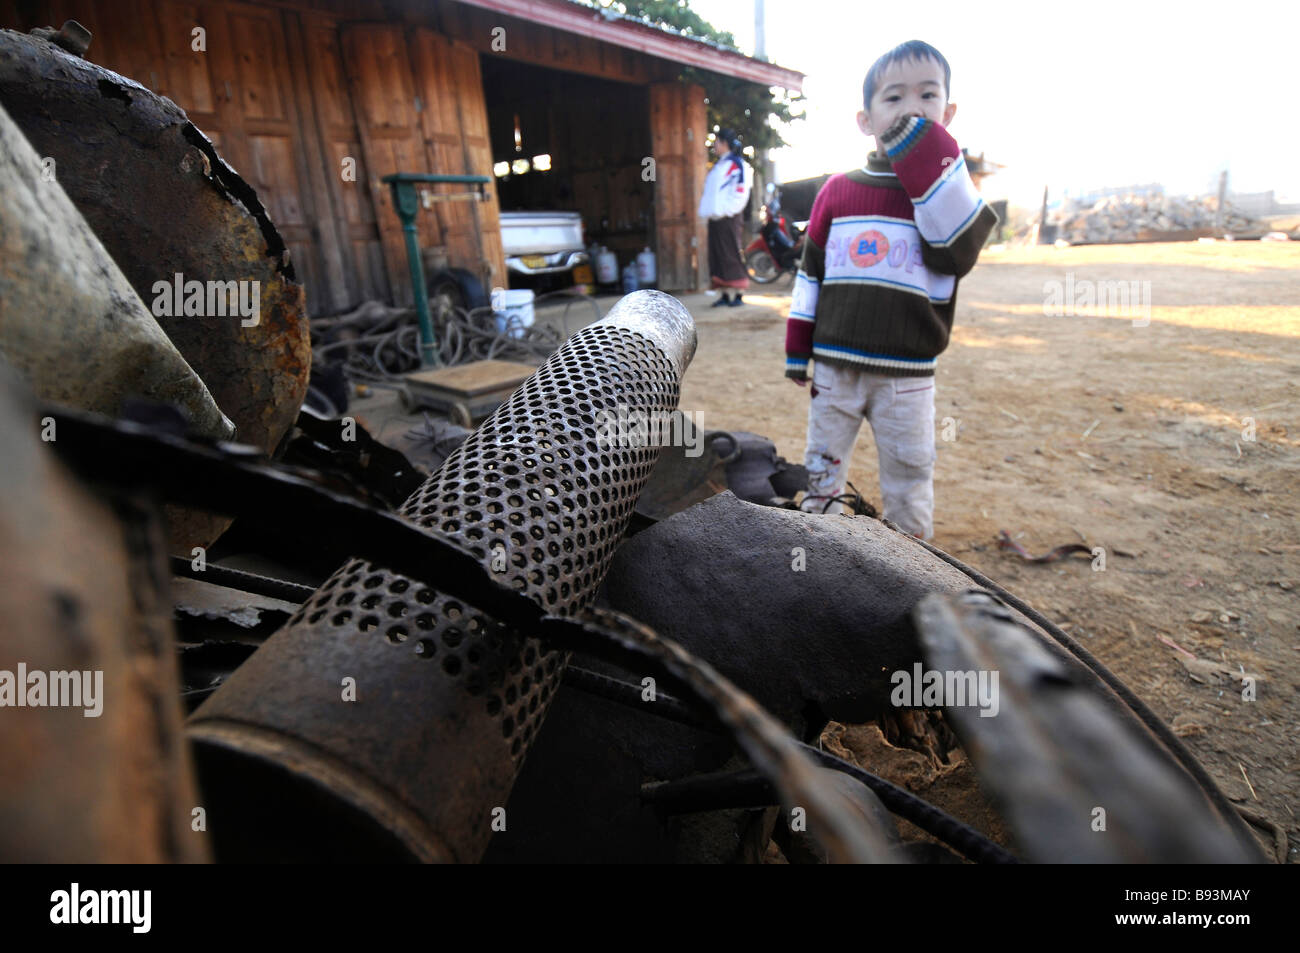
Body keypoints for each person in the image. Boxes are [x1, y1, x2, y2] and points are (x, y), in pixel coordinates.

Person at [784, 40, 999, 538]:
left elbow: (957, 257)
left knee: (909, 476)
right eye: (894, 98)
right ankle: (819, 554)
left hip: (908, 374)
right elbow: (810, 273)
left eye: (927, 96)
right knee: (821, 472)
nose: (911, 109)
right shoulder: (836, 190)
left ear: (948, 112)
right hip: (835, 366)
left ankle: (910, 570)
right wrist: (798, 349)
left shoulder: (950, 194)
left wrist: (930, 172)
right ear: (865, 119)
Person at [698, 128, 751, 306]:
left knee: (731, 253)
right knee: (717, 255)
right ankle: (725, 294)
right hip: (715, 218)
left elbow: (740, 192)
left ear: (725, 143)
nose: (714, 145)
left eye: (717, 142)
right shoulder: (719, 166)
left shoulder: (737, 165)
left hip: (729, 217)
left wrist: (727, 211)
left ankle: (738, 294)